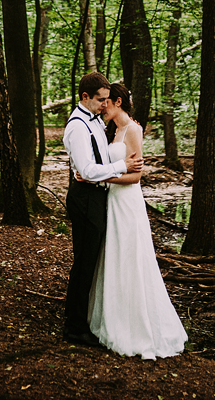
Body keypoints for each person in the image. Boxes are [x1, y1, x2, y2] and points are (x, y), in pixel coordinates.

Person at [89, 82, 187, 359]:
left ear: (118, 102)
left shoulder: (132, 129)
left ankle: (138, 327)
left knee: (130, 257)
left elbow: (136, 177)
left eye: (106, 102)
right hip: (112, 201)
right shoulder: (114, 129)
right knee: (113, 255)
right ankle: (111, 316)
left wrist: (101, 176)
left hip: (127, 202)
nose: (102, 106)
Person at [62, 71, 143, 346]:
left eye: (108, 100)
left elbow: (109, 146)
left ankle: (83, 317)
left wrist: (132, 128)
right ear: (86, 97)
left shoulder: (95, 121)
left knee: (91, 262)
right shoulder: (77, 126)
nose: (104, 104)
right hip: (85, 198)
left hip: (98, 197)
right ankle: (74, 326)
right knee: (84, 263)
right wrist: (123, 166)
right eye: (100, 100)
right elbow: (87, 169)